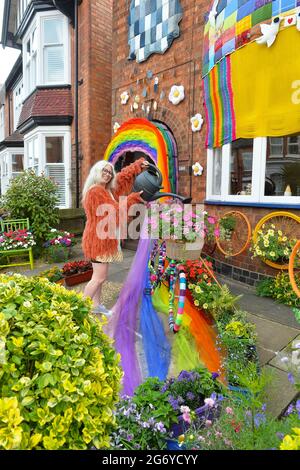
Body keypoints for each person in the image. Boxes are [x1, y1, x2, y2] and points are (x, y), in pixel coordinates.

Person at [82, 158, 149, 314]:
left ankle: (95, 306)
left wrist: (136, 166)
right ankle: (80, 310)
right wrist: (132, 199)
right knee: (99, 278)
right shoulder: (95, 191)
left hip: (102, 239)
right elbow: (112, 213)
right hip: (98, 240)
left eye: (109, 172)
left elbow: (122, 178)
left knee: (98, 277)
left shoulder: (106, 190)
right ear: (96, 172)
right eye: (104, 171)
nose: (107, 174)